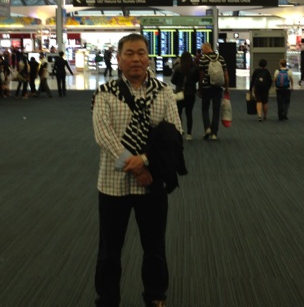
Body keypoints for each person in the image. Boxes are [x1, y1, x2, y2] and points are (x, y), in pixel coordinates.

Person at [91, 33, 182, 307]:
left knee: (154, 248)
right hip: (113, 185)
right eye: (129, 53)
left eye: (141, 53)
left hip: (151, 184)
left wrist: (144, 160)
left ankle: (155, 296)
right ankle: (107, 299)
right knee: (109, 250)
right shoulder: (105, 93)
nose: (136, 59)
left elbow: (175, 133)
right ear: (118, 59)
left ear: (148, 58)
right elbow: (103, 135)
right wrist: (135, 167)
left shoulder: (163, 92)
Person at [198, 42, 229, 141]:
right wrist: (226, 87)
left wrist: (200, 88)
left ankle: (207, 128)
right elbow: (226, 74)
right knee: (216, 110)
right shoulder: (221, 58)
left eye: (202, 49)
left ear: (206, 48)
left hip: (206, 88)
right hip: (218, 88)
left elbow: (201, 75)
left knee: (205, 108)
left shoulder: (203, 59)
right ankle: (214, 133)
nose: (202, 51)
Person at [171, 51, 199, 140]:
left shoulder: (178, 68)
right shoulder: (194, 69)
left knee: (179, 113)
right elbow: (197, 79)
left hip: (180, 93)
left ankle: (180, 129)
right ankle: (189, 134)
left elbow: (173, 81)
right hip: (190, 94)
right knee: (189, 114)